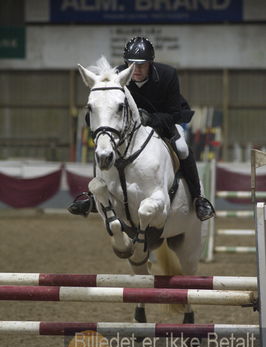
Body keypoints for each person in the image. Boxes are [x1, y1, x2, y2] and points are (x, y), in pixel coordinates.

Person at [69, 37, 215, 221]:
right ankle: (92, 197)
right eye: (132, 64)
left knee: (182, 147)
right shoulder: (119, 76)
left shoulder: (168, 75)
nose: (136, 69)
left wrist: (150, 119)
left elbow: (174, 114)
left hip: (164, 120)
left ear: (150, 63)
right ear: (126, 63)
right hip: (131, 129)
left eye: (142, 65)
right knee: (104, 147)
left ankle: (198, 198)